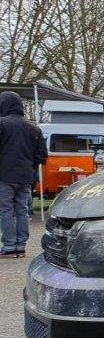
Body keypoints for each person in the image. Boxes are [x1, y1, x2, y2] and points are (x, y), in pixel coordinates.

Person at [0, 91, 47, 258]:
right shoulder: (34, 128)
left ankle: (9, 246)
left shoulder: (2, 124)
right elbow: (42, 155)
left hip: (4, 176)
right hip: (26, 177)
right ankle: (20, 246)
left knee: (5, 210)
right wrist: (30, 167)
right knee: (22, 211)